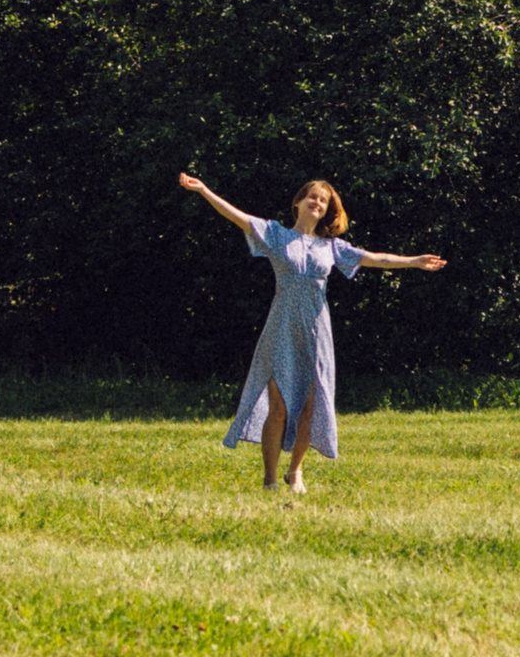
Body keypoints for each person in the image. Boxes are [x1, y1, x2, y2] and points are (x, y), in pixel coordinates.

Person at [179, 172, 445, 494]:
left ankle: (296, 472)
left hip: (317, 331)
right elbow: (238, 217)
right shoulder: (276, 235)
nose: (318, 202)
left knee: (310, 403)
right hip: (281, 327)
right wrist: (205, 189)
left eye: (324, 200)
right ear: (299, 202)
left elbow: (375, 258)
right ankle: (270, 480)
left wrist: (414, 261)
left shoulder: (331, 246)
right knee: (278, 405)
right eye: (313, 197)